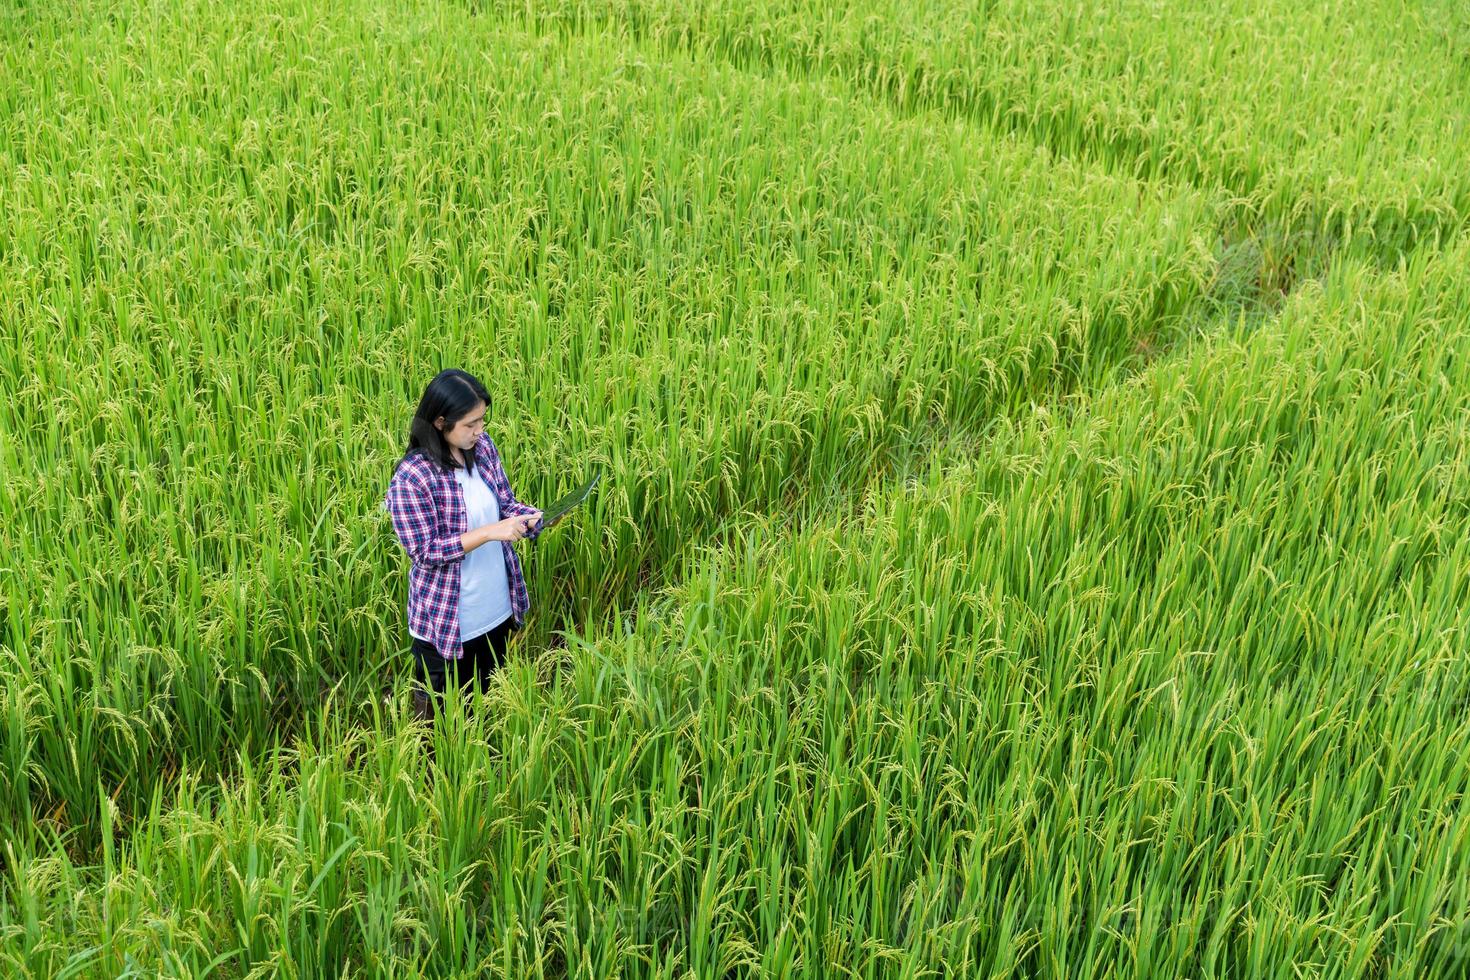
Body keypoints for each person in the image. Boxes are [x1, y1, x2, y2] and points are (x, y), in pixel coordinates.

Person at [384, 369, 544, 726]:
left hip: (496, 611)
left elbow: (505, 504)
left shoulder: (482, 449)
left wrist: (527, 518)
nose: (479, 431)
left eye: (482, 421)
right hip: (447, 625)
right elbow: (424, 551)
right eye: (470, 424)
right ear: (441, 422)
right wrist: (490, 532)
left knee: (487, 712)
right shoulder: (412, 478)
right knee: (440, 728)